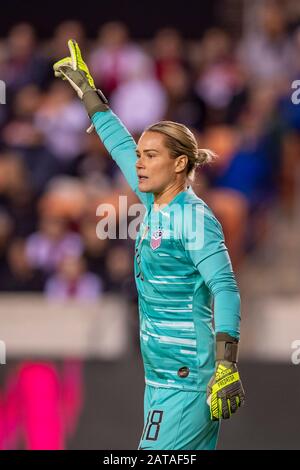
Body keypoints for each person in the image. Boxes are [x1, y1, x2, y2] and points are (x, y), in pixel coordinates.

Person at [53, 40, 245, 450]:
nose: (139, 162)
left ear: (179, 164)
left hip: (187, 380)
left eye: (150, 155)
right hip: (159, 380)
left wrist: (227, 365)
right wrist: (90, 94)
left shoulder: (193, 217)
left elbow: (225, 287)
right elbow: (120, 145)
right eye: (140, 155)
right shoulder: (154, 202)